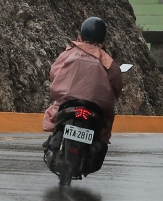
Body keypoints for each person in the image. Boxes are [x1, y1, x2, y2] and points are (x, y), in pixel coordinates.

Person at [43, 17, 124, 145]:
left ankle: (55, 140)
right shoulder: (107, 61)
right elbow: (117, 84)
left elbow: (54, 72)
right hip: (96, 108)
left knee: (55, 111)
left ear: (82, 34)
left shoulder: (69, 53)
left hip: (68, 104)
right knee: (107, 120)